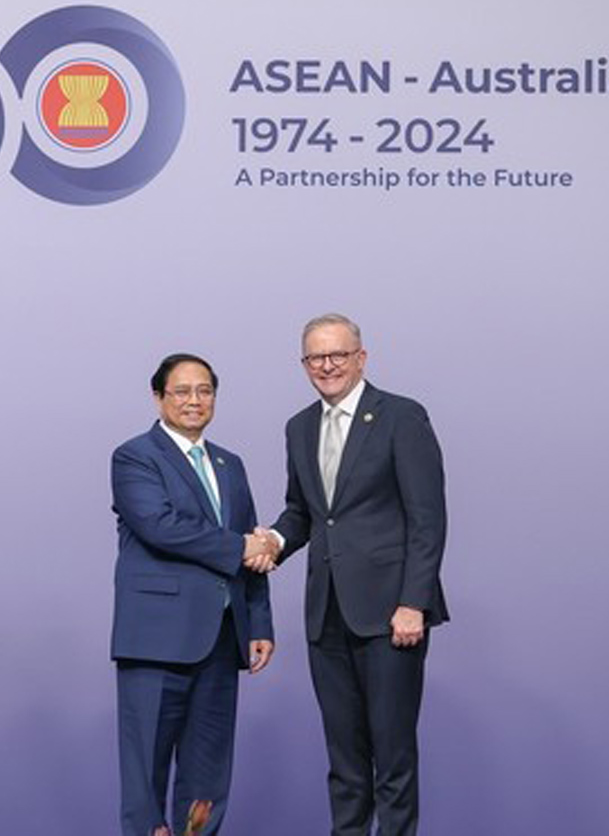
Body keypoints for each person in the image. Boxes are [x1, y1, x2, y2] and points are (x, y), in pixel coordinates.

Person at [256, 314, 448, 835]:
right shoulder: (299, 427)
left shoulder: (401, 417)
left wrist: (415, 602)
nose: (327, 366)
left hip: (392, 616)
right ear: (304, 365)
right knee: (344, 764)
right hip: (327, 617)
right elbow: (304, 513)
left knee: (392, 761)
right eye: (316, 358)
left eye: (337, 355)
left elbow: (427, 520)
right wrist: (271, 541)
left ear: (361, 358)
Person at [111, 353, 279, 836]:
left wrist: (260, 622)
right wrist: (245, 545)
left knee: (207, 775)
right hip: (155, 641)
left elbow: (250, 546)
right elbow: (161, 527)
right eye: (182, 391)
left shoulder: (231, 464)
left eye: (204, 390)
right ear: (158, 396)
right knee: (144, 777)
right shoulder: (135, 456)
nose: (193, 400)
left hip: (222, 640)